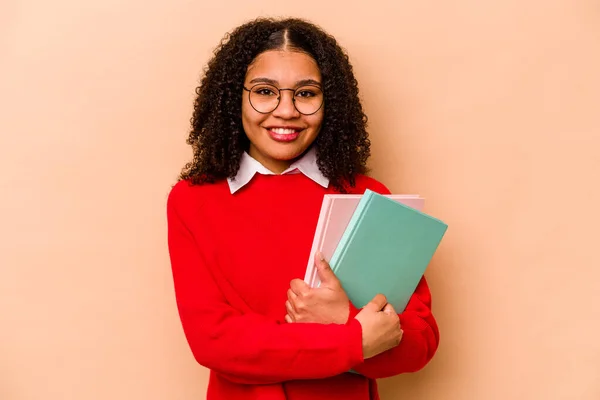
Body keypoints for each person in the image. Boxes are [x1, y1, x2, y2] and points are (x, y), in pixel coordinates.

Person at [166, 17, 439, 400]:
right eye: (264, 91)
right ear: (233, 97)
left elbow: (419, 340)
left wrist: (342, 316)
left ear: (330, 102)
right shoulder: (193, 200)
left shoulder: (367, 196)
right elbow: (216, 343)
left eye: (306, 94)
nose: (286, 111)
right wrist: (354, 339)